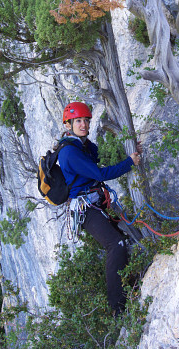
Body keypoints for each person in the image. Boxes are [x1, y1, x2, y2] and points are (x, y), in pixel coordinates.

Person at [57, 101, 141, 316]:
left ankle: (131, 286)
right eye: (78, 121)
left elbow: (99, 157)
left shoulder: (81, 145)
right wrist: (130, 162)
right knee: (116, 243)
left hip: (96, 202)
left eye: (86, 120)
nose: (83, 124)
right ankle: (118, 308)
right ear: (69, 124)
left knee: (124, 238)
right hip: (86, 209)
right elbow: (101, 174)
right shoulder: (69, 152)